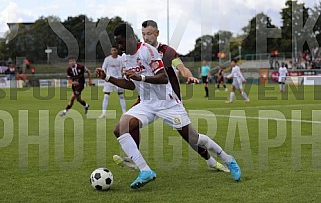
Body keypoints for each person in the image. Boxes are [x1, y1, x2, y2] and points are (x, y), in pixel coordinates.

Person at [95, 23, 241, 189]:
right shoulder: (125, 58)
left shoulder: (148, 51)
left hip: (167, 103)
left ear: (129, 38)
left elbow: (163, 78)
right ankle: (145, 170)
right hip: (147, 103)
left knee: (194, 139)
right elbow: (130, 85)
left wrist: (140, 77)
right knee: (120, 129)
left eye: (121, 43)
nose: (119, 47)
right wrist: (107, 78)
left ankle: (228, 159)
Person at [114, 20, 228, 173]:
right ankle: (136, 159)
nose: (146, 37)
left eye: (149, 34)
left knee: (190, 138)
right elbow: (134, 80)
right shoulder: (132, 54)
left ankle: (211, 160)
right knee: (128, 124)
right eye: (143, 34)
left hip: (168, 100)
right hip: (147, 100)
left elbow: (181, 67)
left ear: (157, 33)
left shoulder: (166, 52)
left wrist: (189, 76)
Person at [98, 45, 126, 118]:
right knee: (106, 96)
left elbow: (124, 68)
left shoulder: (121, 59)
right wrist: (103, 74)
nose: (113, 52)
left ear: (117, 51)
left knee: (121, 96)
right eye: (112, 50)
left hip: (118, 79)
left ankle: (124, 113)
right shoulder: (107, 59)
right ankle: (104, 113)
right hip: (109, 79)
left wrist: (123, 75)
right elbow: (103, 68)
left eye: (115, 50)